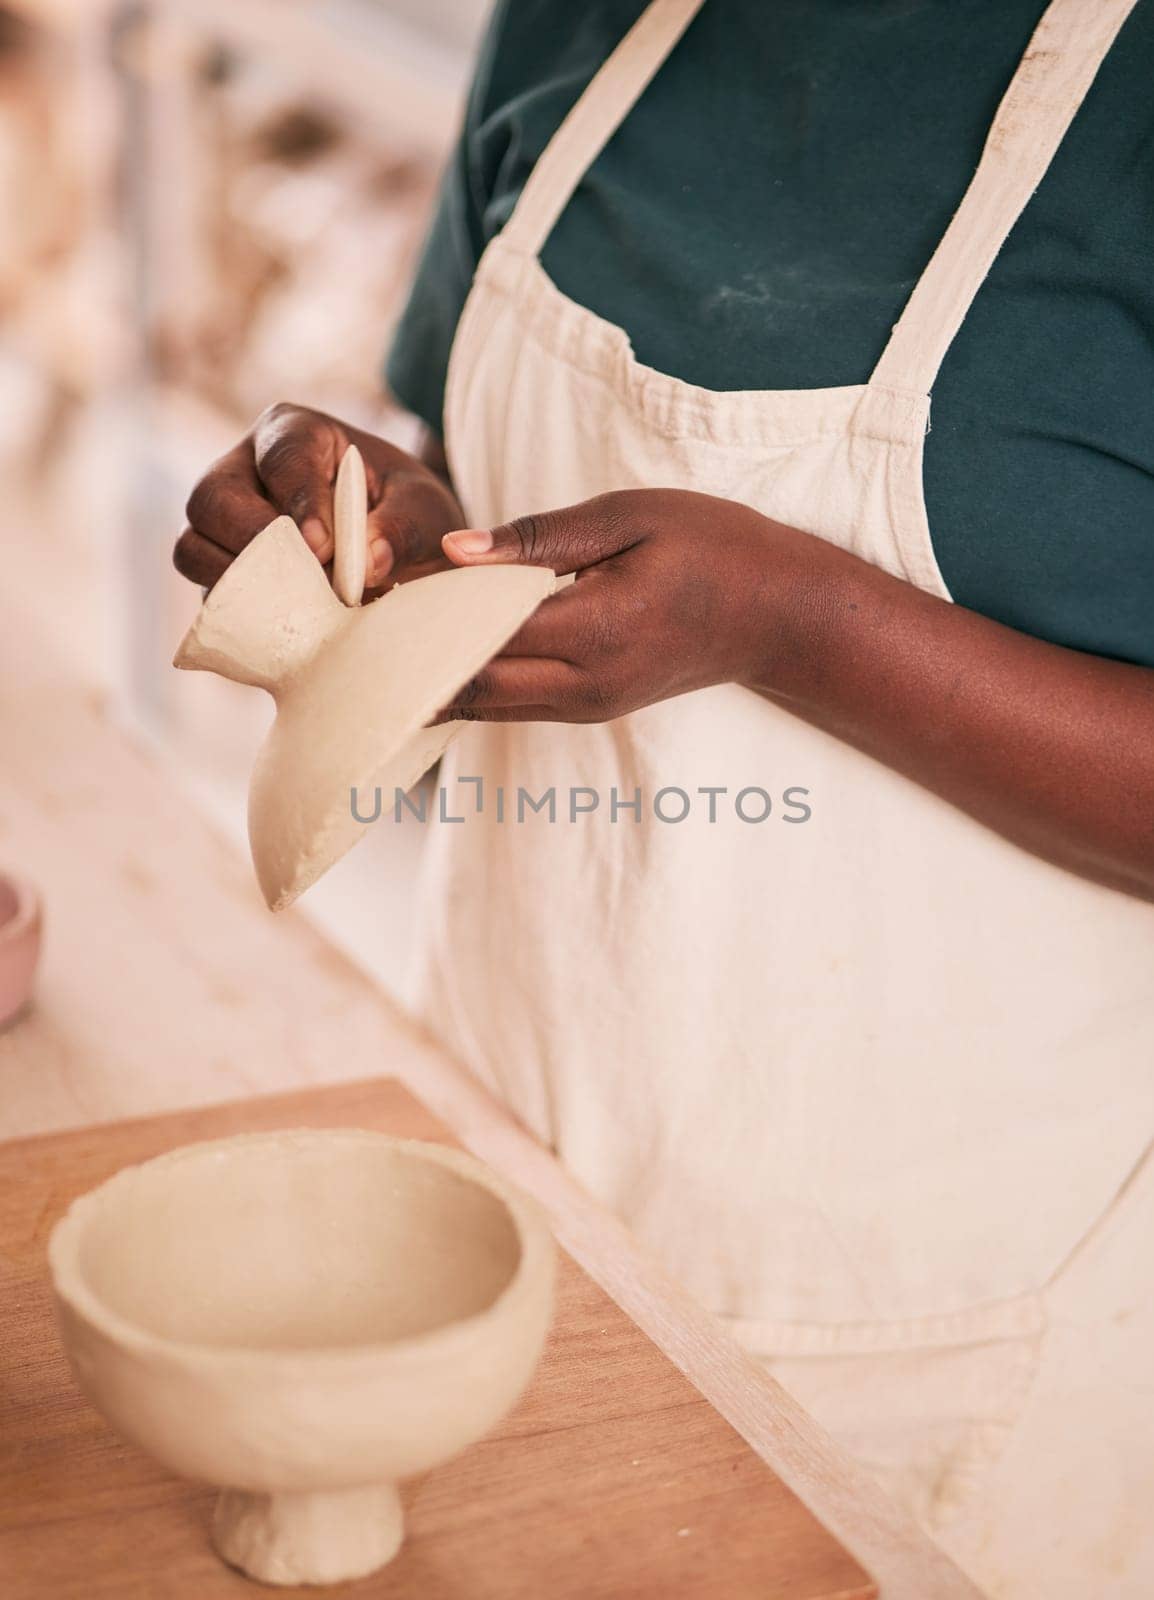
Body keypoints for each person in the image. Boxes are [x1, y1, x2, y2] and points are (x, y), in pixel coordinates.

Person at [174, 2, 1154, 1593]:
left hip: (955, 1327)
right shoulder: (575, 19)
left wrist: (795, 623)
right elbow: (462, 475)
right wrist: (387, 532)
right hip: (491, 1163)